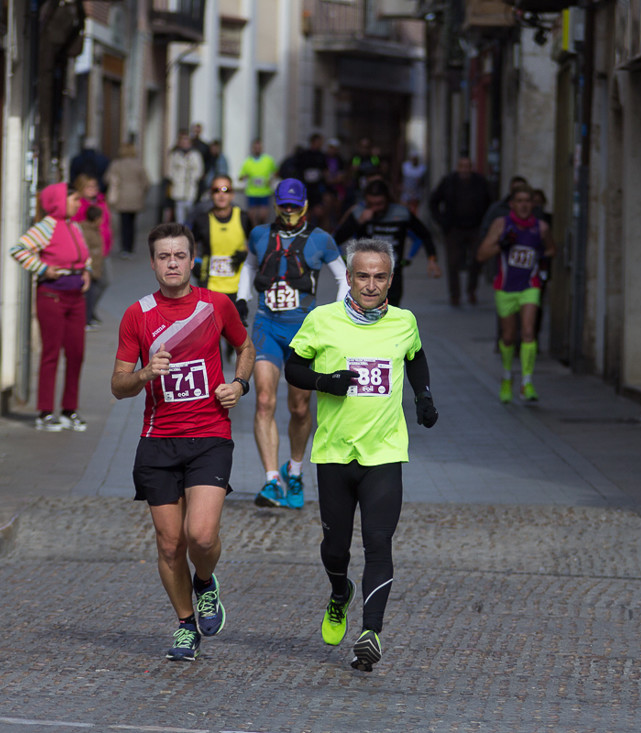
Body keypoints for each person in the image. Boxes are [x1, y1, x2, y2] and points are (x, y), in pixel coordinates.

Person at [284, 237, 438, 672]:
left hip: (385, 452)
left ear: (391, 280)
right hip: (334, 452)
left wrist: (423, 397)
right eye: (363, 276)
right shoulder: (322, 319)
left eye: (380, 277)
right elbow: (293, 365)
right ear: (348, 278)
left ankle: (371, 632)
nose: (371, 285)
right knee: (335, 548)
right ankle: (339, 593)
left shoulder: (404, 321)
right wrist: (323, 381)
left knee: (378, 543)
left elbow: (416, 357)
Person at [111, 222, 254, 662]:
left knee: (201, 536)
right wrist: (144, 374)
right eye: (163, 257)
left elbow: (246, 347)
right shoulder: (138, 314)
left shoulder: (215, 305)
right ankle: (185, 625)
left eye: (179, 256)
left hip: (210, 434)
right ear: (152, 262)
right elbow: (118, 386)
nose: (172, 263)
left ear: (192, 260)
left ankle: (206, 582)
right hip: (158, 441)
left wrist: (240, 384)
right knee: (169, 543)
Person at [235, 178, 348, 510]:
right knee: (264, 401)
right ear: (275, 204)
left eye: (294, 206)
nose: (288, 211)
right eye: (283, 205)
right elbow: (251, 266)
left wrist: (336, 315)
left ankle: (295, 471)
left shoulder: (321, 239)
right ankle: (272, 480)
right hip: (266, 326)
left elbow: (342, 276)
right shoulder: (259, 235)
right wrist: (243, 300)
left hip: (304, 330)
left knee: (299, 408)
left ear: (305, 205)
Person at [10, 182, 93, 432]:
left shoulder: (74, 226)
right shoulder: (46, 226)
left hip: (76, 297)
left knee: (77, 353)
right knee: (51, 353)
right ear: (59, 201)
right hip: (52, 297)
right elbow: (18, 249)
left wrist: (86, 271)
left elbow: (83, 255)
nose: (79, 204)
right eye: (74, 199)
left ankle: (69, 410)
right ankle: (45, 412)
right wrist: (44, 269)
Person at [477, 183, 554, 403]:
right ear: (512, 204)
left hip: (530, 285)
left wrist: (542, 255)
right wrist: (502, 245)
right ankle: (507, 377)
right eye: (519, 201)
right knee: (509, 336)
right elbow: (481, 255)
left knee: (528, 332)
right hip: (505, 287)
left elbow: (552, 249)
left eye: (527, 201)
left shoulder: (541, 228)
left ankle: (527, 382)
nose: (524, 205)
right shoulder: (501, 224)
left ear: (533, 203)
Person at [334, 179, 441, 307]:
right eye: (371, 204)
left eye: (379, 204)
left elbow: (424, 234)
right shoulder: (359, 213)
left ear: (388, 200)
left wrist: (432, 258)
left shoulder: (401, 214)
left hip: (392, 275)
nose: (375, 208)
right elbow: (336, 239)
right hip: (364, 275)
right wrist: (358, 222)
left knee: (391, 312)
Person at [190, 174, 253, 337]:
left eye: (226, 190)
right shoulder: (202, 220)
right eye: (216, 190)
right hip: (210, 284)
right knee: (211, 334)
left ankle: (231, 349)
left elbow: (254, 246)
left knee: (232, 333)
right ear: (211, 195)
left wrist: (244, 254)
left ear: (232, 194)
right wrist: (195, 262)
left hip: (236, 286)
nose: (221, 194)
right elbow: (192, 244)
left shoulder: (243, 217)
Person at [429, 156, 493, 306]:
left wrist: (484, 222)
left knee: (477, 260)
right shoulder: (449, 181)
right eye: (462, 166)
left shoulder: (480, 182)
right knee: (453, 263)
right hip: (453, 228)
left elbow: (489, 202)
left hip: (475, 227)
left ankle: (471, 290)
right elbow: (434, 201)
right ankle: (455, 295)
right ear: (457, 168)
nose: (465, 170)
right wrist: (441, 221)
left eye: (468, 166)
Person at [71, 173, 112, 328]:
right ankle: (87, 313)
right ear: (81, 188)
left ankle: (91, 310)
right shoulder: (79, 204)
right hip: (90, 250)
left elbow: (107, 224)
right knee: (95, 283)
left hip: (104, 247)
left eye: (95, 186)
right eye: (89, 187)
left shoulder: (101, 201)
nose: (93, 189)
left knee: (105, 281)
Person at [105, 142, 151, 259]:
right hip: (135, 196)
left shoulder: (117, 164)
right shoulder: (138, 165)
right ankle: (131, 247)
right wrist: (141, 192)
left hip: (122, 196)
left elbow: (107, 179)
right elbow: (146, 182)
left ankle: (124, 247)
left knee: (124, 222)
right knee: (132, 223)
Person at [237, 138, 278, 226]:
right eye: (255, 147)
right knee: (252, 216)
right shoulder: (248, 161)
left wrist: (271, 180)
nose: (257, 149)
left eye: (259, 147)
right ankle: (254, 230)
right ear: (252, 148)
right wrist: (245, 176)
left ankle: (262, 229)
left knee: (263, 215)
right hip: (252, 192)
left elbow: (276, 172)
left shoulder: (268, 160)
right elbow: (240, 176)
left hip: (264, 192)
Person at [168, 130, 204, 225]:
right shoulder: (175, 154)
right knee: (179, 214)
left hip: (190, 188)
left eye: (186, 141)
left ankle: (189, 231)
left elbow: (199, 170)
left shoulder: (195, 155)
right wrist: (175, 179)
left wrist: (193, 178)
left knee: (190, 213)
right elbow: (170, 170)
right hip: (178, 188)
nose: (184, 144)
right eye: (182, 141)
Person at [295, 133, 329, 225]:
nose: (320, 144)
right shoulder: (304, 155)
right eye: (318, 142)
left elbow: (325, 171)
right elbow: (299, 170)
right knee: (307, 212)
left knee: (320, 212)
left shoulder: (322, 156)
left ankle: (319, 231)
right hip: (306, 188)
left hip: (317, 188)